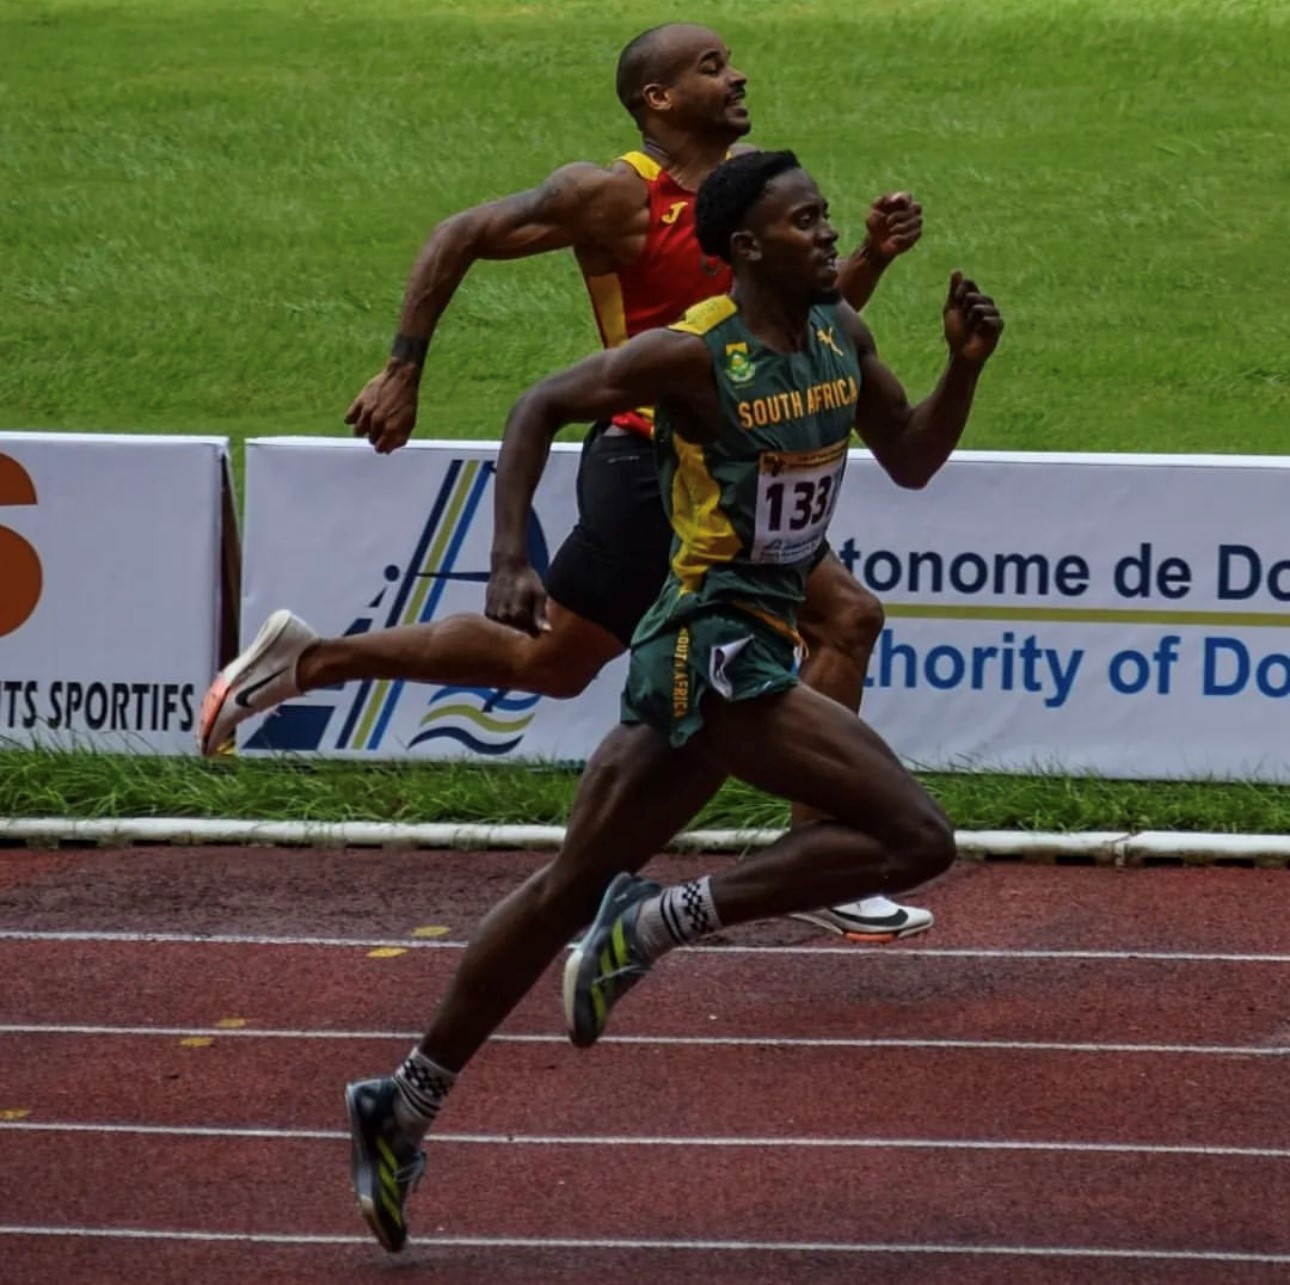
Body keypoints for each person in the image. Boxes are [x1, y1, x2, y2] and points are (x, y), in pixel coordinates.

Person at [343, 150, 1004, 1253]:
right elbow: (540, 403)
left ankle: (402, 1101)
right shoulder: (696, 355)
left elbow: (916, 459)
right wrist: (511, 557)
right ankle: (659, 919)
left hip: (723, 656)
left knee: (563, 890)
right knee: (913, 834)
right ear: (747, 248)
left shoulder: (844, 336)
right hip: (711, 646)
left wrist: (966, 367)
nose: (823, 235)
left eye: (822, 216)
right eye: (803, 223)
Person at [200, 23, 935, 942]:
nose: (738, 74)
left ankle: (308, 661)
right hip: (650, 467)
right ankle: (824, 851)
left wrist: (868, 259)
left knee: (551, 661)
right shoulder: (612, 197)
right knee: (845, 616)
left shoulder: (758, 194)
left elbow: (788, 338)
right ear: (658, 99)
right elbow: (460, 233)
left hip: (724, 462)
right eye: (711, 67)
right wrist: (402, 369)